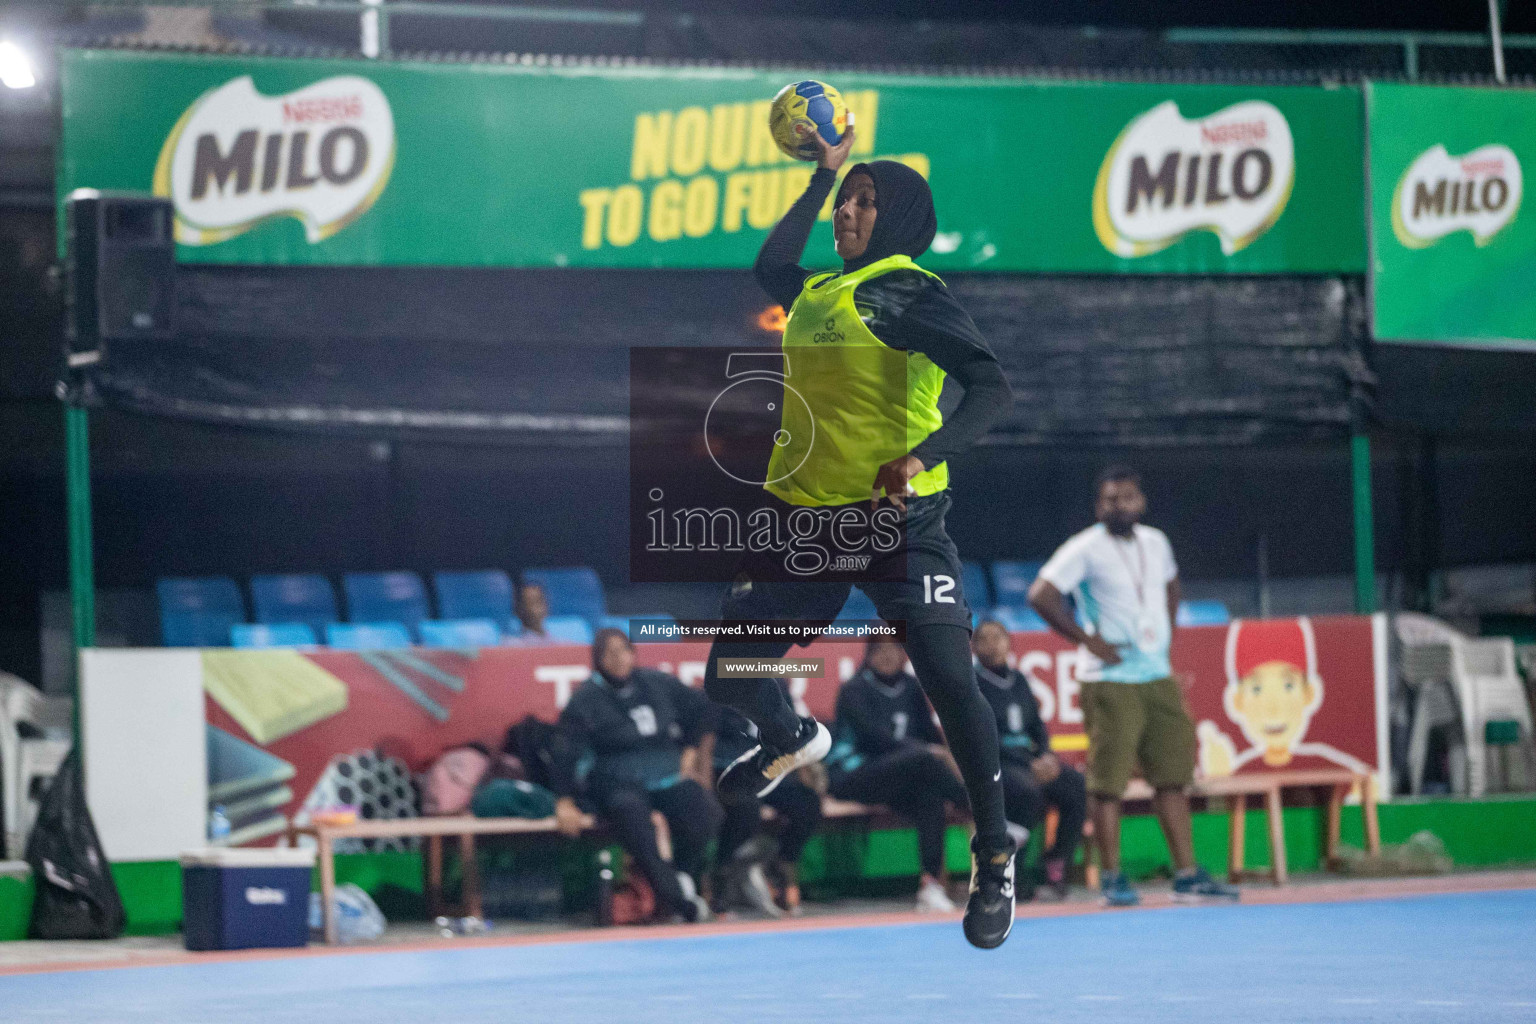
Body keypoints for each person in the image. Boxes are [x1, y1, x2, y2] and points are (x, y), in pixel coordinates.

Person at [700, 119, 1019, 948]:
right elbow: (772, 263)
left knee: (952, 678)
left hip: (901, 520)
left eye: (867, 202)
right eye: (849, 202)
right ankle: (789, 735)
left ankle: (992, 857)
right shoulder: (813, 295)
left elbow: (990, 389)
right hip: (808, 519)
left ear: (904, 218)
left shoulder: (908, 289)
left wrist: (922, 455)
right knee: (727, 677)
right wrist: (821, 174)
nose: (849, 213)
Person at [1028, 466, 1238, 907]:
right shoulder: (1084, 547)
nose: (1117, 505)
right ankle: (1112, 878)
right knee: (1107, 784)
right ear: (1097, 506)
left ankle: (1186, 875)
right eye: (1108, 499)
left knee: (1173, 779)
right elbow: (1040, 595)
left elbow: (1170, 586)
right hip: (1109, 681)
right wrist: (1086, 640)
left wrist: (1165, 639)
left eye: (1126, 497)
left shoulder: (1156, 542)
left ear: (1140, 501)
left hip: (1156, 675)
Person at [550, 628, 722, 923]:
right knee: (633, 819)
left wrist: (691, 750)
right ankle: (676, 899)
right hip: (617, 780)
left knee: (700, 806)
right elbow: (564, 752)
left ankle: (684, 875)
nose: (618, 658)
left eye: (623, 650)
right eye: (609, 653)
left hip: (665, 773)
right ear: (598, 660)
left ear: (633, 653)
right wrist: (564, 799)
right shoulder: (586, 700)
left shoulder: (656, 683)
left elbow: (704, 707)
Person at [826, 636, 971, 913]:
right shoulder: (854, 689)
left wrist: (940, 754)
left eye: (894, 649)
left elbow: (930, 734)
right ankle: (978, 807)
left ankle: (930, 886)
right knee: (923, 759)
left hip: (900, 776)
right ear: (868, 654)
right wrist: (930, 753)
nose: (887, 656)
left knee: (929, 796)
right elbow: (873, 740)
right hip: (853, 774)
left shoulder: (912, 687)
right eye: (880, 649)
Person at [971, 618, 1087, 900]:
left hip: (1029, 759)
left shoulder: (1019, 679)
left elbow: (1036, 725)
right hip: (997, 762)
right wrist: (1029, 764)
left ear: (1009, 642)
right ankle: (1016, 873)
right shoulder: (972, 683)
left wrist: (1046, 754)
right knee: (1027, 793)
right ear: (973, 646)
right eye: (985, 638)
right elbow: (982, 736)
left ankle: (1057, 861)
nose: (993, 645)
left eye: (999, 637)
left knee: (1076, 786)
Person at [709, 692, 824, 918]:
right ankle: (721, 877)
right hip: (731, 771)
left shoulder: (774, 685)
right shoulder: (722, 683)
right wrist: (705, 785)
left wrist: (804, 770)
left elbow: (794, 734)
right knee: (745, 808)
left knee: (807, 803)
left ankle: (779, 866)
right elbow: (706, 737)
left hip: (770, 768)